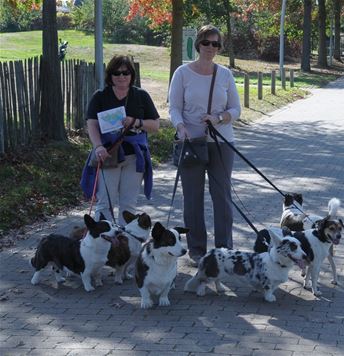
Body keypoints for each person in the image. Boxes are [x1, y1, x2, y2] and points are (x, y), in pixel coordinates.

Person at [168, 24, 241, 266]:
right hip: (192, 142)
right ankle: (196, 249)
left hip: (221, 142)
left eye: (216, 44)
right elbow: (174, 107)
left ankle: (224, 249)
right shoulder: (182, 73)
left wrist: (219, 118)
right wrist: (180, 126)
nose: (211, 48)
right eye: (207, 43)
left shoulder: (225, 75)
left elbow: (236, 109)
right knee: (192, 198)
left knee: (222, 197)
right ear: (198, 44)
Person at [80, 54, 160, 226]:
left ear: (132, 75)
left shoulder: (141, 95)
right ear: (110, 76)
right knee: (104, 204)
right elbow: (91, 124)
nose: (121, 76)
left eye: (125, 73)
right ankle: (103, 244)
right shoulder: (100, 96)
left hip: (134, 157)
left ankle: (125, 245)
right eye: (117, 73)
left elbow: (155, 126)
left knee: (128, 205)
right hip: (108, 155)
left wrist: (136, 122)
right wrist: (98, 147)